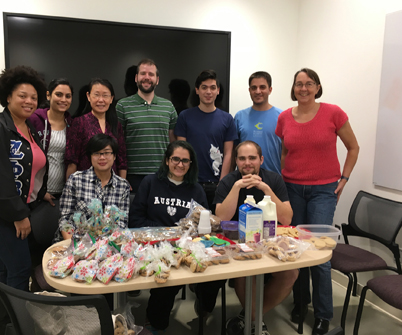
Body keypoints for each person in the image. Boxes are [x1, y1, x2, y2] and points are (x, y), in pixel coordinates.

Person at [0, 65, 53, 335]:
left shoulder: (29, 129)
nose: (29, 101)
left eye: (33, 97)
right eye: (22, 96)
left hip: (17, 208)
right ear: (7, 97)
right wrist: (19, 214)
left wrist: (41, 192)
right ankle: (19, 326)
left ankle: (5, 324)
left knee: (5, 266)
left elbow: (32, 169)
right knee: (19, 267)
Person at [275, 68, 359, 335]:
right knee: (295, 249)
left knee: (320, 254)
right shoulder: (284, 117)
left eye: (308, 83)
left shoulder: (334, 113)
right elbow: (285, 151)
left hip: (324, 191)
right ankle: (301, 303)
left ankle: (323, 315)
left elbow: (353, 147)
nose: (303, 88)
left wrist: (344, 178)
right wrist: (286, 178)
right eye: (299, 84)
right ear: (293, 88)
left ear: (317, 87)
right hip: (292, 190)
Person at [196, 140, 295, 335]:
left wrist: (266, 190)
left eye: (252, 158)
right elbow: (221, 218)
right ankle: (256, 322)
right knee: (247, 271)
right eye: (242, 158)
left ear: (261, 159)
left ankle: (249, 318)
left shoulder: (274, 179)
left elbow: (287, 218)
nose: (247, 163)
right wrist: (237, 187)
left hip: (268, 241)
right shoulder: (227, 181)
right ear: (236, 161)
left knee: (291, 273)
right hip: (235, 245)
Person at [128, 141, 208, 332]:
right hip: (150, 245)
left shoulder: (196, 190)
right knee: (166, 277)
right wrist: (167, 232)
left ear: (191, 164)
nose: (180, 165)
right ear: (167, 160)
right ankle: (155, 321)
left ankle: (158, 321)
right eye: (176, 159)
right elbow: (136, 220)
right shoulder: (150, 182)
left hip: (183, 248)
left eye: (185, 161)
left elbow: (202, 226)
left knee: (181, 277)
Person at [174, 70, 237, 212]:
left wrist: (223, 182)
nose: (208, 91)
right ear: (197, 90)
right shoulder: (185, 116)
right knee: (188, 226)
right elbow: (181, 151)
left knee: (215, 226)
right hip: (190, 181)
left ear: (218, 91)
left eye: (213, 87)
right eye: (204, 87)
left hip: (217, 184)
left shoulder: (227, 119)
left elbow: (229, 153)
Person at [116, 58, 178, 192]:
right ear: (136, 78)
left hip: (162, 174)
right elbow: (117, 144)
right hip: (132, 176)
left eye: (151, 74)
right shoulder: (122, 106)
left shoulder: (168, 106)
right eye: (143, 73)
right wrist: (121, 178)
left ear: (157, 79)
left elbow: (173, 143)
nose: (147, 77)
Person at [58, 134, 130, 240]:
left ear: (114, 156)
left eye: (106, 153)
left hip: (109, 247)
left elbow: (122, 225)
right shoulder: (76, 180)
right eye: (97, 153)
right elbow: (65, 219)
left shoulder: (123, 186)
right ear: (90, 156)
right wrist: (75, 248)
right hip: (75, 243)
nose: (102, 157)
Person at [66, 78, 127, 179]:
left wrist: (123, 184)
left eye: (105, 95)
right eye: (96, 95)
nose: (101, 100)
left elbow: (122, 160)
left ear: (111, 99)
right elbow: (72, 160)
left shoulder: (116, 125)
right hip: (84, 184)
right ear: (88, 96)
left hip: (112, 185)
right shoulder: (79, 122)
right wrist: (70, 186)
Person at [29, 78, 73, 198]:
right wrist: (39, 192)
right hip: (37, 192)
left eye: (68, 96)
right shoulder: (33, 120)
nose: (63, 100)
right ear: (48, 95)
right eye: (59, 95)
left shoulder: (73, 125)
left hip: (63, 192)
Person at [234, 71, 282, 174]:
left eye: (262, 87)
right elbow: (234, 151)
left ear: (270, 90)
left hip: (273, 179)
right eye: (254, 88)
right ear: (249, 90)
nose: (258, 91)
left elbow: (286, 153)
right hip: (244, 178)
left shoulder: (281, 116)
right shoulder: (239, 117)